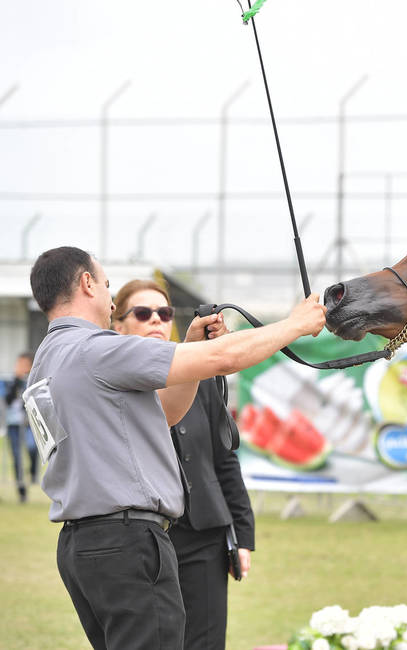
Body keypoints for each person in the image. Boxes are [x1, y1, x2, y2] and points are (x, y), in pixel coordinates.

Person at [26, 246, 325, 650]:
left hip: (83, 546)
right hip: (127, 540)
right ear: (86, 283)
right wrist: (296, 324)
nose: (111, 298)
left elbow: (162, 415)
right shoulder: (97, 349)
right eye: (107, 284)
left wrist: (188, 346)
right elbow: (225, 356)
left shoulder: (46, 361)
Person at [112, 279, 254, 650]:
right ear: (118, 325)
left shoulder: (198, 374)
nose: (157, 321)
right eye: (143, 314)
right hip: (145, 539)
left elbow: (224, 459)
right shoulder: (108, 381)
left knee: (206, 643)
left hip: (205, 535)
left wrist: (242, 535)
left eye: (164, 313)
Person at [5, 351, 38, 502]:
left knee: (32, 447)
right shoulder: (11, 381)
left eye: (24, 364)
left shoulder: (34, 379)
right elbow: (7, 400)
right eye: (19, 363)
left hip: (30, 423)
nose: (20, 367)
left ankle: (33, 471)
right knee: (17, 456)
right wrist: (16, 380)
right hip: (14, 424)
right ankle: (21, 490)